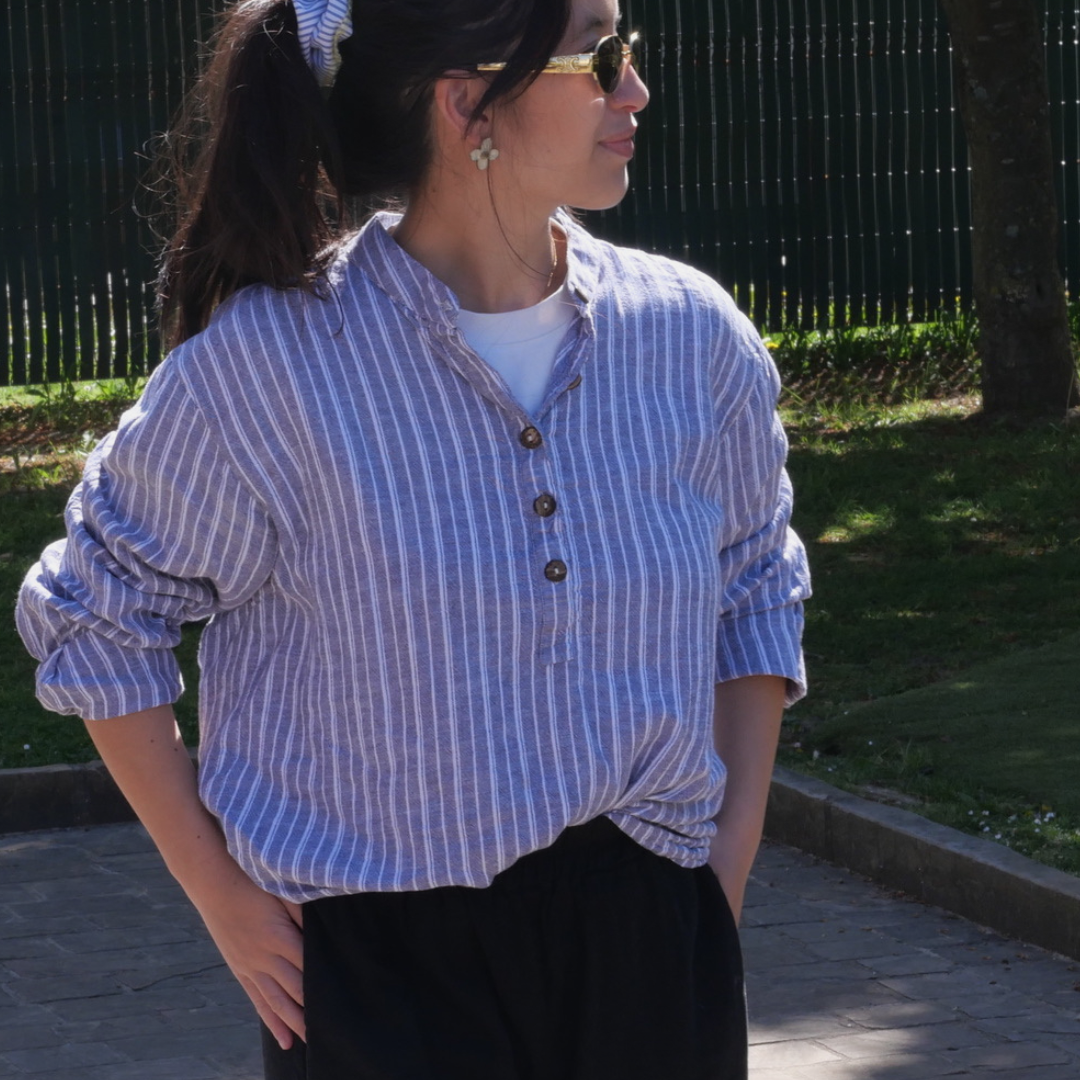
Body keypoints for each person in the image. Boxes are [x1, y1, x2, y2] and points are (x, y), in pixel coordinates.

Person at [16, 0, 811, 1076]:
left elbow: (754, 580)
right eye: (600, 54)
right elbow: (97, 612)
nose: (635, 88)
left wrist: (729, 858)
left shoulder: (689, 334)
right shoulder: (271, 369)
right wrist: (220, 894)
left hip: (653, 947)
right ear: (466, 102)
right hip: (384, 982)